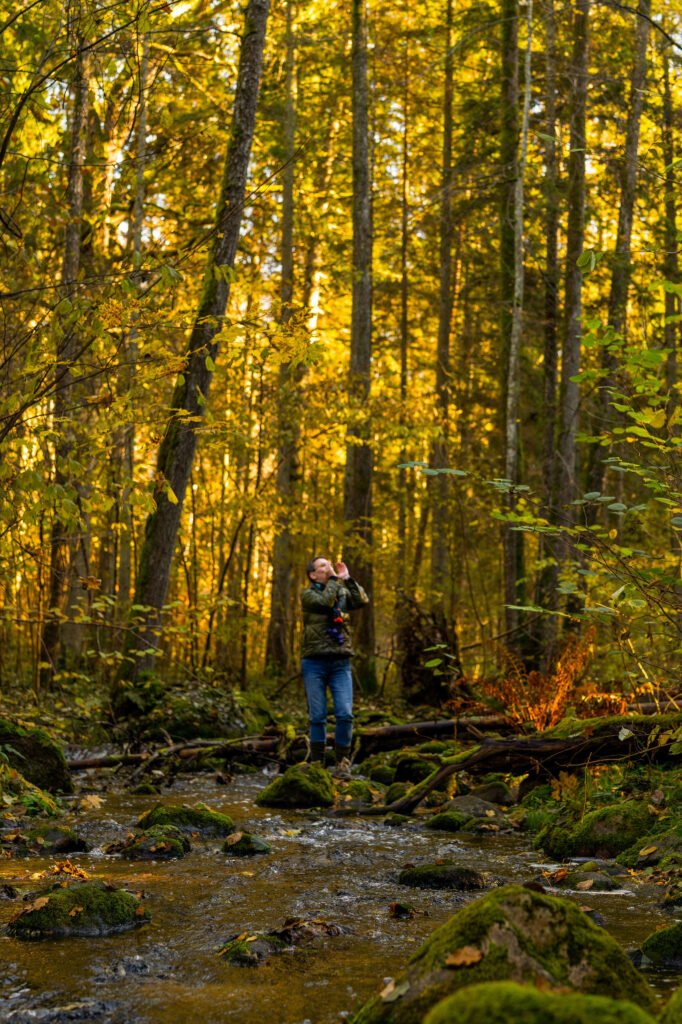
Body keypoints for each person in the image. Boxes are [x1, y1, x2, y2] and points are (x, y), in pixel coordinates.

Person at [300, 556, 369, 778]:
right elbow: (326, 602)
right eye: (322, 566)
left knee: (345, 713)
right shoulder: (308, 595)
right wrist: (334, 580)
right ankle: (318, 764)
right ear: (313, 574)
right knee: (317, 716)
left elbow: (361, 601)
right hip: (314, 663)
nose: (328, 567)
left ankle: (342, 762)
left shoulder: (339, 591)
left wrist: (347, 579)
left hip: (340, 662)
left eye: (328, 564)